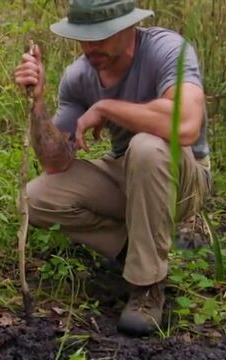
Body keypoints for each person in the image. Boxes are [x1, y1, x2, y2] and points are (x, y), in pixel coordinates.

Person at [14, 0, 211, 336]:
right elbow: (55, 160)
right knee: (35, 197)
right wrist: (38, 102)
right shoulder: (79, 75)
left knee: (147, 147)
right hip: (125, 171)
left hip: (183, 176)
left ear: (128, 27)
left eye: (100, 36)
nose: (90, 46)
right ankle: (130, 250)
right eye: (83, 36)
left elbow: (187, 124)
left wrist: (107, 107)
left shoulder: (167, 50)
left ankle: (147, 287)